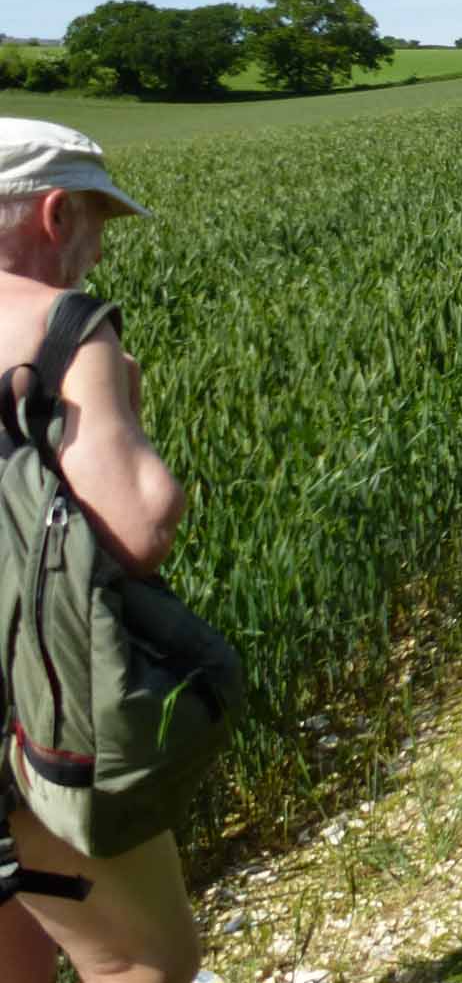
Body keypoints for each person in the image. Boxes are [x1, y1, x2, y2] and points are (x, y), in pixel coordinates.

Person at [0, 119, 201, 983]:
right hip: (26, 723)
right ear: (55, 214)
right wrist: (126, 406)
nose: (99, 250)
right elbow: (139, 525)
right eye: (98, 221)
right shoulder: (59, 325)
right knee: (142, 962)